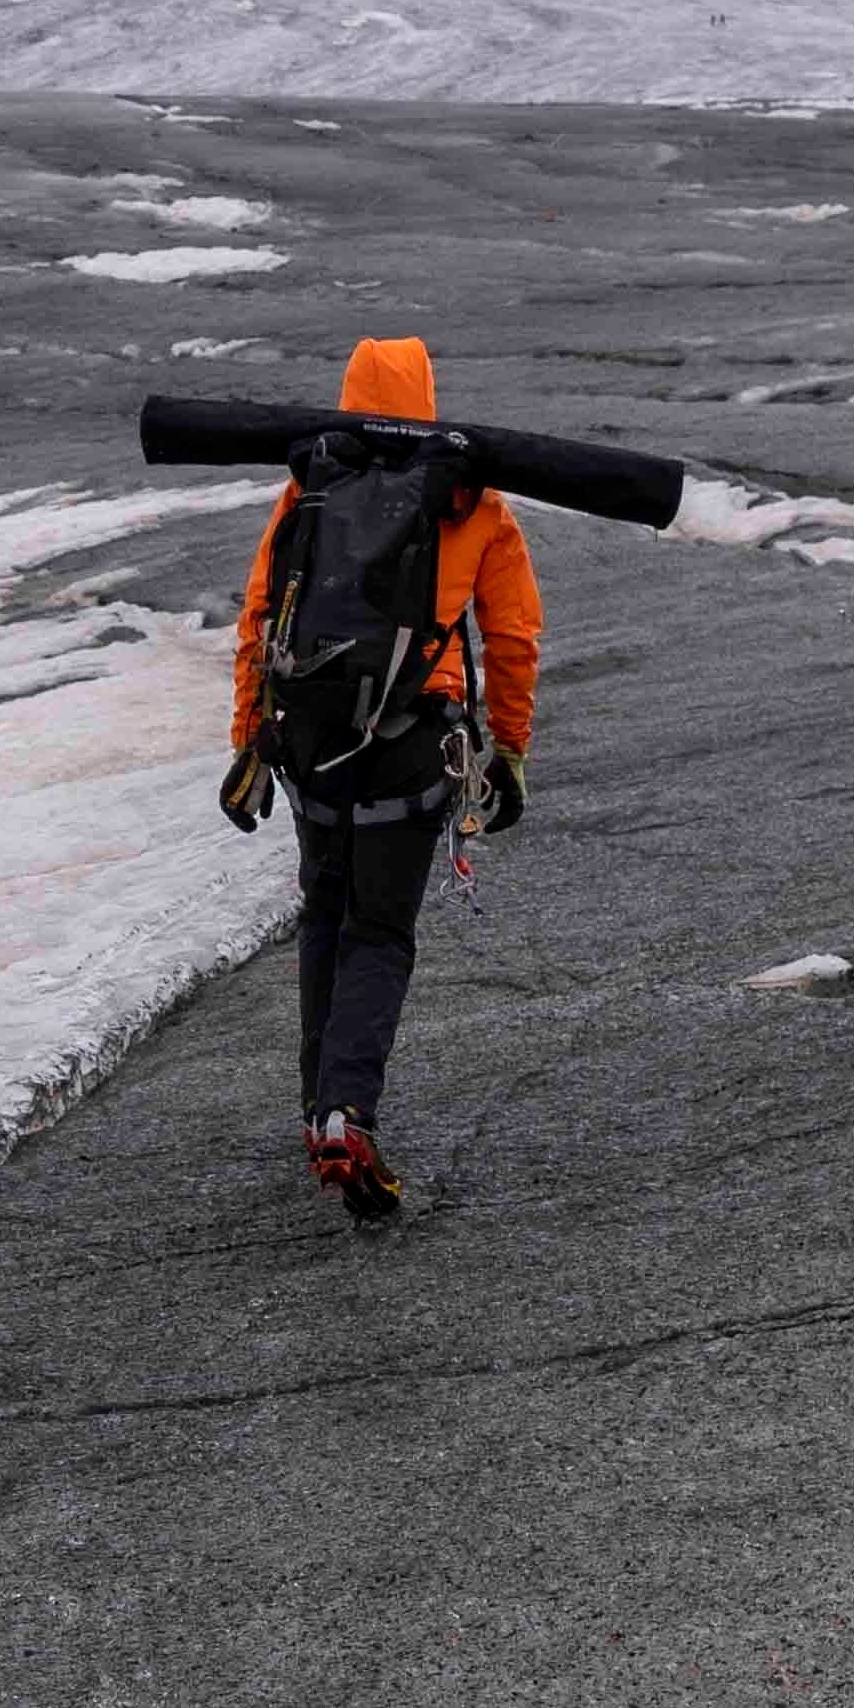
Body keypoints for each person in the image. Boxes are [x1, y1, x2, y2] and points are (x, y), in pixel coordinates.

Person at [217, 333, 546, 1220]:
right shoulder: (471, 500)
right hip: (409, 747)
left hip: (308, 741)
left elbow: (259, 616)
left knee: (324, 913)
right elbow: (511, 637)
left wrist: (248, 737)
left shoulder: (310, 484)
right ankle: (346, 1113)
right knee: (379, 929)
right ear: (428, 398)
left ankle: (316, 1109)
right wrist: (509, 749)